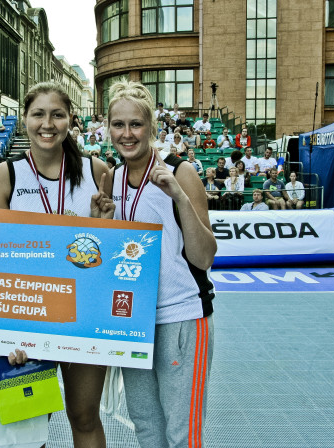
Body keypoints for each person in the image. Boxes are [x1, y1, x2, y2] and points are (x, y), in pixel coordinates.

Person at [0, 81, 111, 448]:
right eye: (38, 114)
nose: (48, 123)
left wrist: (99, 224)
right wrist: (2, 334)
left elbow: (107, 253)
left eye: (57, 114)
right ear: (24, 119)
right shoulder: (4, 175)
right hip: (28, 314)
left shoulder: (96, 170)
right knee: (29, 423)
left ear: (71, 119)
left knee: (85, 416)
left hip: (83, 311)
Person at [107, 80, 216, 448]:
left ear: (151, 126)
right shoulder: (113, 178)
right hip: (134, 320)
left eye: (135, 124)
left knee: (182, 433)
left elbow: (205, 256)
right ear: (108, 128)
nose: (127, 134)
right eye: (118, 125)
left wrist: (179, 197)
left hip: (181, 317)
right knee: (147, 427)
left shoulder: (180, 171)